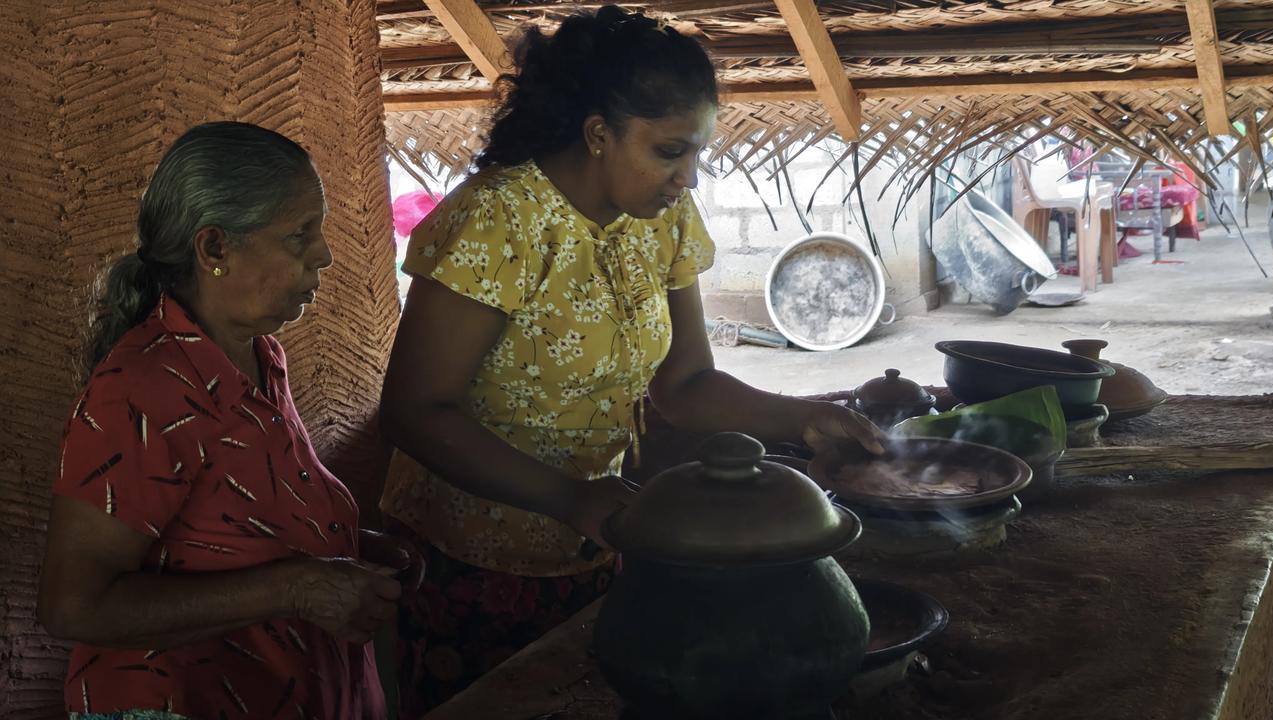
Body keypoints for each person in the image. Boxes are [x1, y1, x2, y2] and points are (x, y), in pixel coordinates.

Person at [377, 7, 885, 713]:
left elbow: (686, 385)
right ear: (597, 134)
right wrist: (569, 496)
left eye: (698, 153)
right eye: (671, 151)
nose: (690, 178)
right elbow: (414, 410)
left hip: (599, 537)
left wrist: (801, 418)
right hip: (470, 558)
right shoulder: (497, 221)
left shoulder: (662, 221)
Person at [38, 121, 422, 719]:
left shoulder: (257, 357)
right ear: (214, 248)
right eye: (299, 235)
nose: (323, 254)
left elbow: (227, 527)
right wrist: (298, 586)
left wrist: (347, 552)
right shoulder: (142, 389)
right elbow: (74, 605)